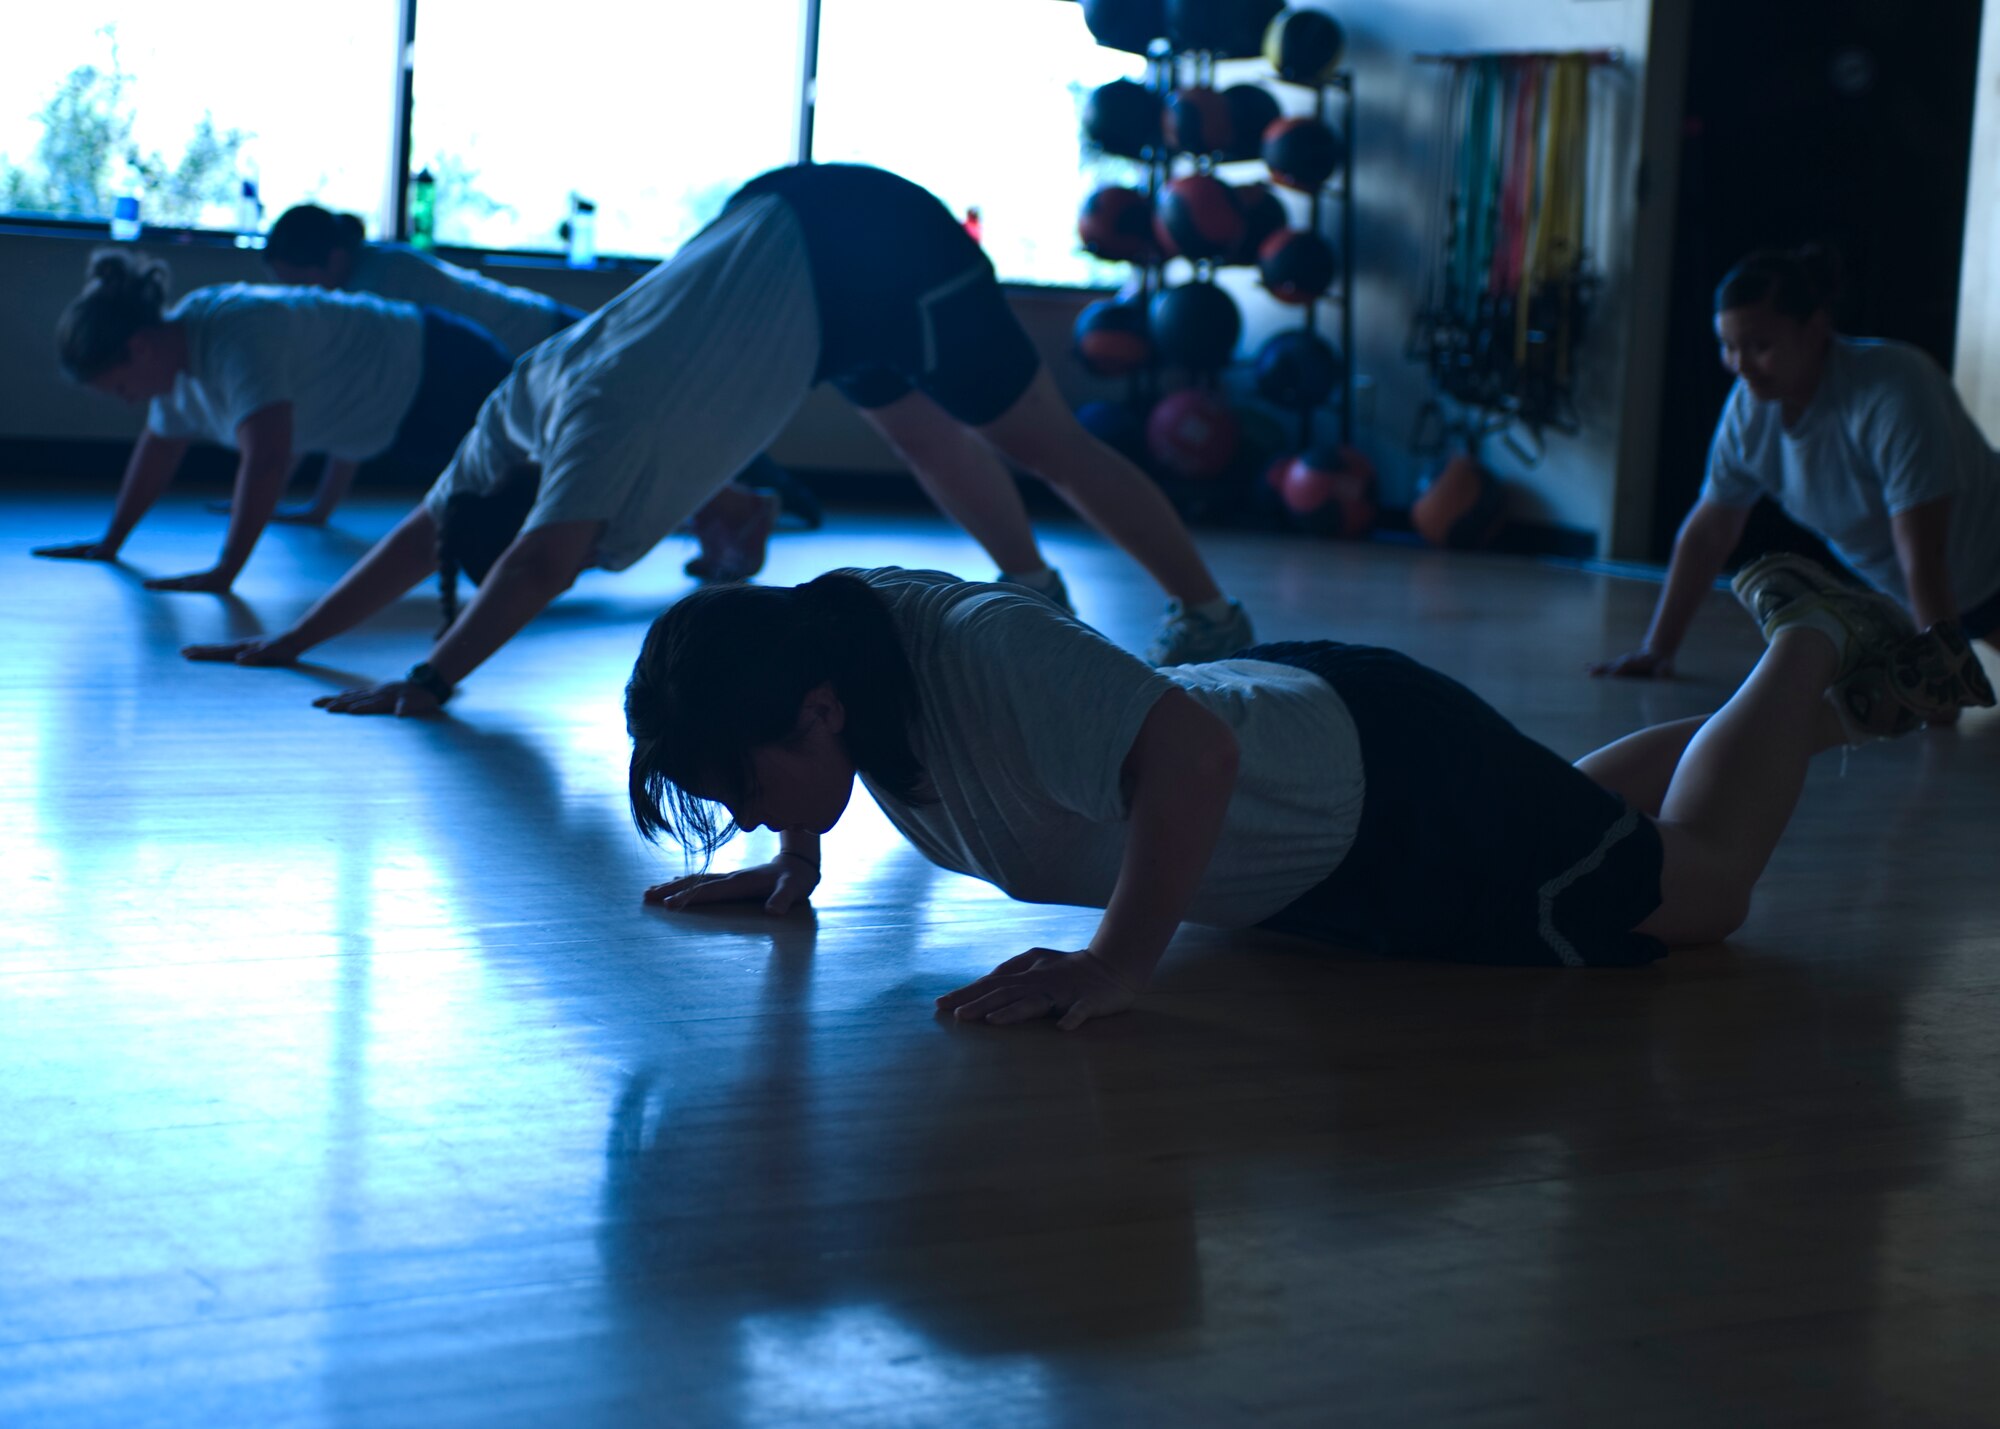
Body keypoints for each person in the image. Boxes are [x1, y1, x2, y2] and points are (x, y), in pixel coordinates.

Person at [624, 560, 1987, 1032]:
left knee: (1700, 894)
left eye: (743, 792)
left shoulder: (974, 657)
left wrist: (1115, 965)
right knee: (1583, 826)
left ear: (812, 710)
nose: (744, 815)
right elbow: (818, 777)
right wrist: (789, 868)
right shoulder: (839, 667)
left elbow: (1193, 761)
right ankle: (1834, 714)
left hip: (1379, 788)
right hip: (1331, 819)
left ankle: (1807, 633)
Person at [181, 163, 1256, 713]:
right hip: (798, 256)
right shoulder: (521, 402)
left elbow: (538, 562)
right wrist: (291, 640)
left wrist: (429, 680)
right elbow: (428, 532)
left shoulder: (592, 426)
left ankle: (1207, 614)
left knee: (1041, 441)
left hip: (859, 240)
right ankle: (1031, 587)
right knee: (925, 441)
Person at [262, 201, 799, 568]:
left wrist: (318, 506)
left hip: (548, 346)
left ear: (331, 259)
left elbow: (367, 400)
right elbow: (362, 407)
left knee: (617, 455)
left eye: (297, 280)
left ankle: (740, 505)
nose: (297, 295)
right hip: (535, 351)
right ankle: (732, 508)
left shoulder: (377, 283)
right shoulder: (370, 275)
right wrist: (318, 508)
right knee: (626, 452)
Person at [1592, 245, 2000, 688]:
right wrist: (1659, 649)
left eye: (1760, 345)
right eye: (1728, 347)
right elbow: (1710, 532)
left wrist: (1936, 682)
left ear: (1815, 328)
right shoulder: (1750, 413)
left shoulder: (1894, 391)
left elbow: (1923, 551)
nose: (1742, 367)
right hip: (1967, 601)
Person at [31, 249, 511, 593]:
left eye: (120, 387)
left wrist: (224, 572)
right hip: (401, 417)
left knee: (523, 513)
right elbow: (157, 450)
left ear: (139, 348)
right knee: (498, 539)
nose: (129, 401)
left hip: (447, 370)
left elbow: (268, 459)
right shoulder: (174, 366)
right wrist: (110, 542)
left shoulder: (234, 334)